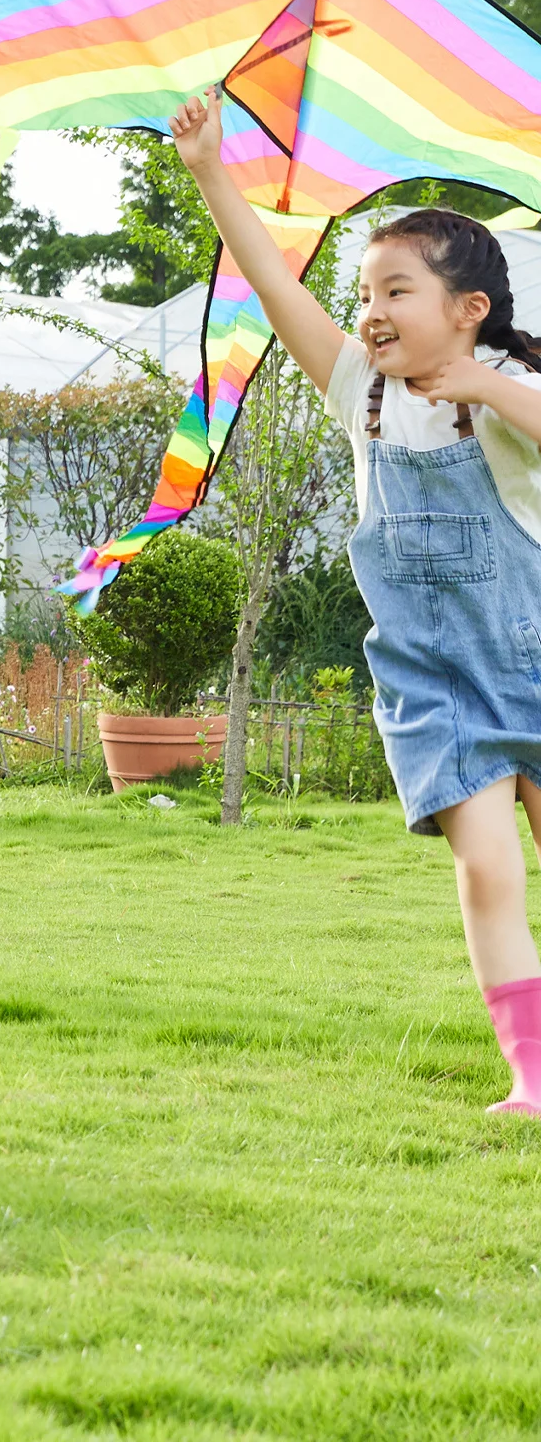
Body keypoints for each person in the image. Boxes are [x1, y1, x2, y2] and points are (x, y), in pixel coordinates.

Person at [171, 86, 541, 1114]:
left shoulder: (508, 386)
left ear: (466, 310)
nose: (371, 311)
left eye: (397, 290)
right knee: (487, 874)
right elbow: (273, 283)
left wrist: (487, 387)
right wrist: (210, 170)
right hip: (432, 683)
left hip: (534, 660)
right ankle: (532, 1078)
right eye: (366, 290)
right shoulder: (358, 393)